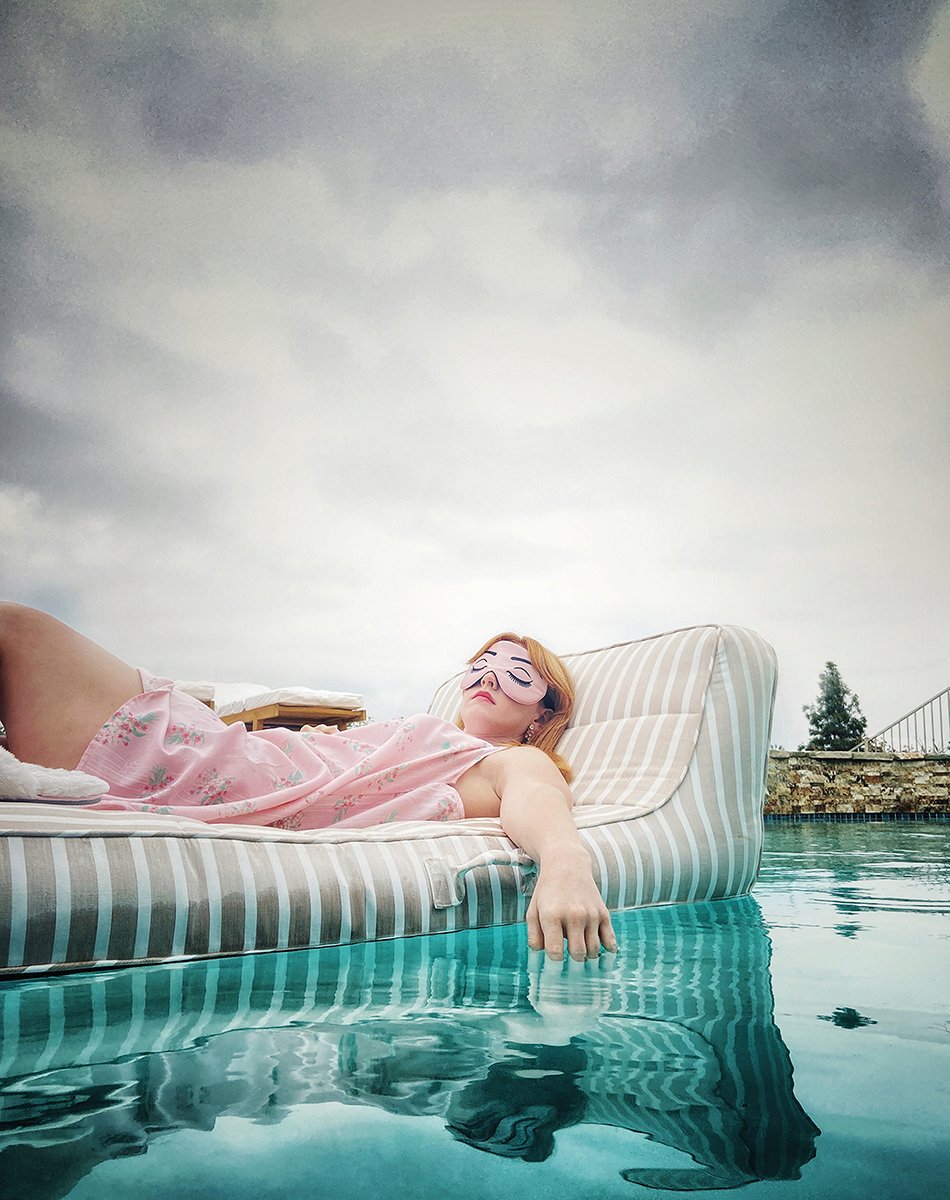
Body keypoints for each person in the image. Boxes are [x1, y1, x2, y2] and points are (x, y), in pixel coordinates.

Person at [0, 603, 616, 961]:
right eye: (480, 667)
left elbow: (540, 796)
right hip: (239, 753)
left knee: (19, 631)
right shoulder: (437, 738)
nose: (487, 678)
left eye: (516, 674)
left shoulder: (507, 760)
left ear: (543, 715)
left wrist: (566, 866)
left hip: (223, 773)